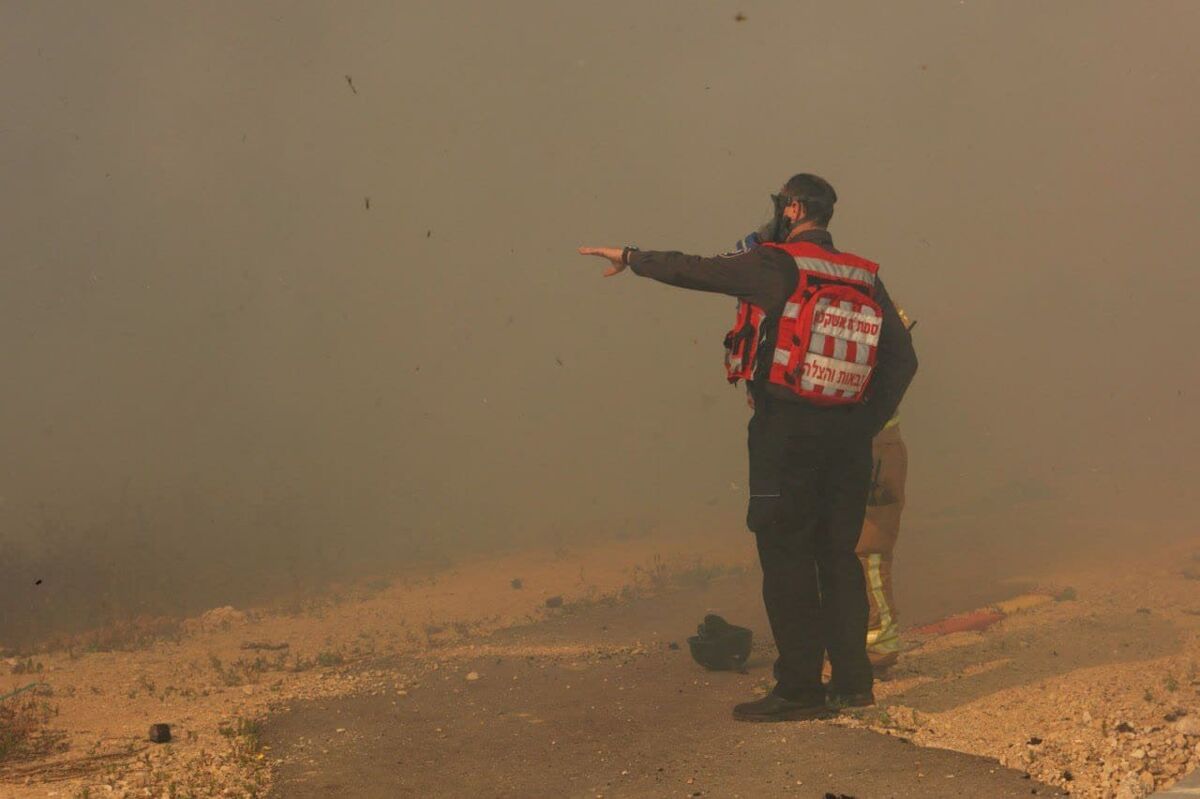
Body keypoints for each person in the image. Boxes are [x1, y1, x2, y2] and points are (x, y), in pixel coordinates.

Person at [578, 174, 917, 721]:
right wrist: (861, 424)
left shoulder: (775, 264)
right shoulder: (864, 275)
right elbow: (903, 361)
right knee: (839, 558)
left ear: (794, 209)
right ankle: (853, 684)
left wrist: (631, 257)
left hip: (786, 434)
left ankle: (799, 690)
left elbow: (696, 269)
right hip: (849, 441)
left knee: (785, 557)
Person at [733, 232, 914, 676]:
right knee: (839, 550)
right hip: (858, 443)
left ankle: (873, 650)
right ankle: (850, 650)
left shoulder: (818, 307)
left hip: (858, 446)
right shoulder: (847, 296)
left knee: (862, 550)